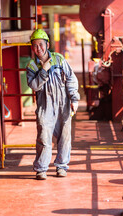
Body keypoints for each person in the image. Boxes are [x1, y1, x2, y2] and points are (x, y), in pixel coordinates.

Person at [26, 29, 80, 180]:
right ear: (32, 48)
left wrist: (74, 99)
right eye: (35, 46)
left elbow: (71, 78)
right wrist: (43, 71)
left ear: (47, 44)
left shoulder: (59, 59)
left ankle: (61, 167)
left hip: (63, 104)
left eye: (41, 45)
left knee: (65, 137)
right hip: (45, 106)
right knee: (44, 137)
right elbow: (34, 86)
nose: (39, 48)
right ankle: (41, 169)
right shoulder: (32, 66)